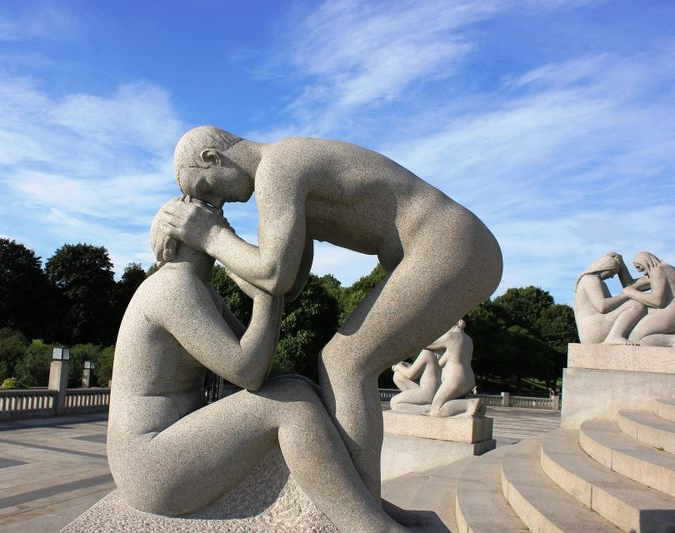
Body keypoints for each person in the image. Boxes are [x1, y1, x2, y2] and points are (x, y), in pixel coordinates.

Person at [161, 126, 502, 496]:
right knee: (344, 362)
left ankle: (358, 510)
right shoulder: (284, 169)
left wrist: (210, 237)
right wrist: (221, 250)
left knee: (344, 363)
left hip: (450, 243)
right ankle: (363, 507)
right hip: (455, 244)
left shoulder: (278, 166)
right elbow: (286, 287)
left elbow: (273, 275)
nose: (219, 203)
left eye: (208, 189)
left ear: (212, 158)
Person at [107, 197, 404, 532]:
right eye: (210, 220)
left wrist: (261, 278)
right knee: (292, 408)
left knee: (298, 386)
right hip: (150, 467)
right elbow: (248, 372)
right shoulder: (173, 287)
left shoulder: (201, 292)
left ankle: (364, 504)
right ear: (178, 236)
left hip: (166, 451)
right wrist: (266, 289)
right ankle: (369, 526)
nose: (223, 228)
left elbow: (262, 365)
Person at [573, 252, 646, 344]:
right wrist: (627, 295)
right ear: (604, 267)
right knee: (635, 304)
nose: (611, 277)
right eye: (612, 272)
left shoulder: (596, 281)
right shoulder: (590, 279)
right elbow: (602, 306)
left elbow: (611, 306)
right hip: (593, 329)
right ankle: (614, 336)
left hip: (594, 326)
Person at [623, 252, 675, 346]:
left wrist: (631, 293)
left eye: (638, 266)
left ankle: (672, 340)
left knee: (635, 338)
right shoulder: (669, 268)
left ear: (645, 261)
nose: (638, 271)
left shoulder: (657, 271)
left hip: (671, 310)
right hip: (671, 308)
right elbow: (632, 284)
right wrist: (621, 267)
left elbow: (657, 301)